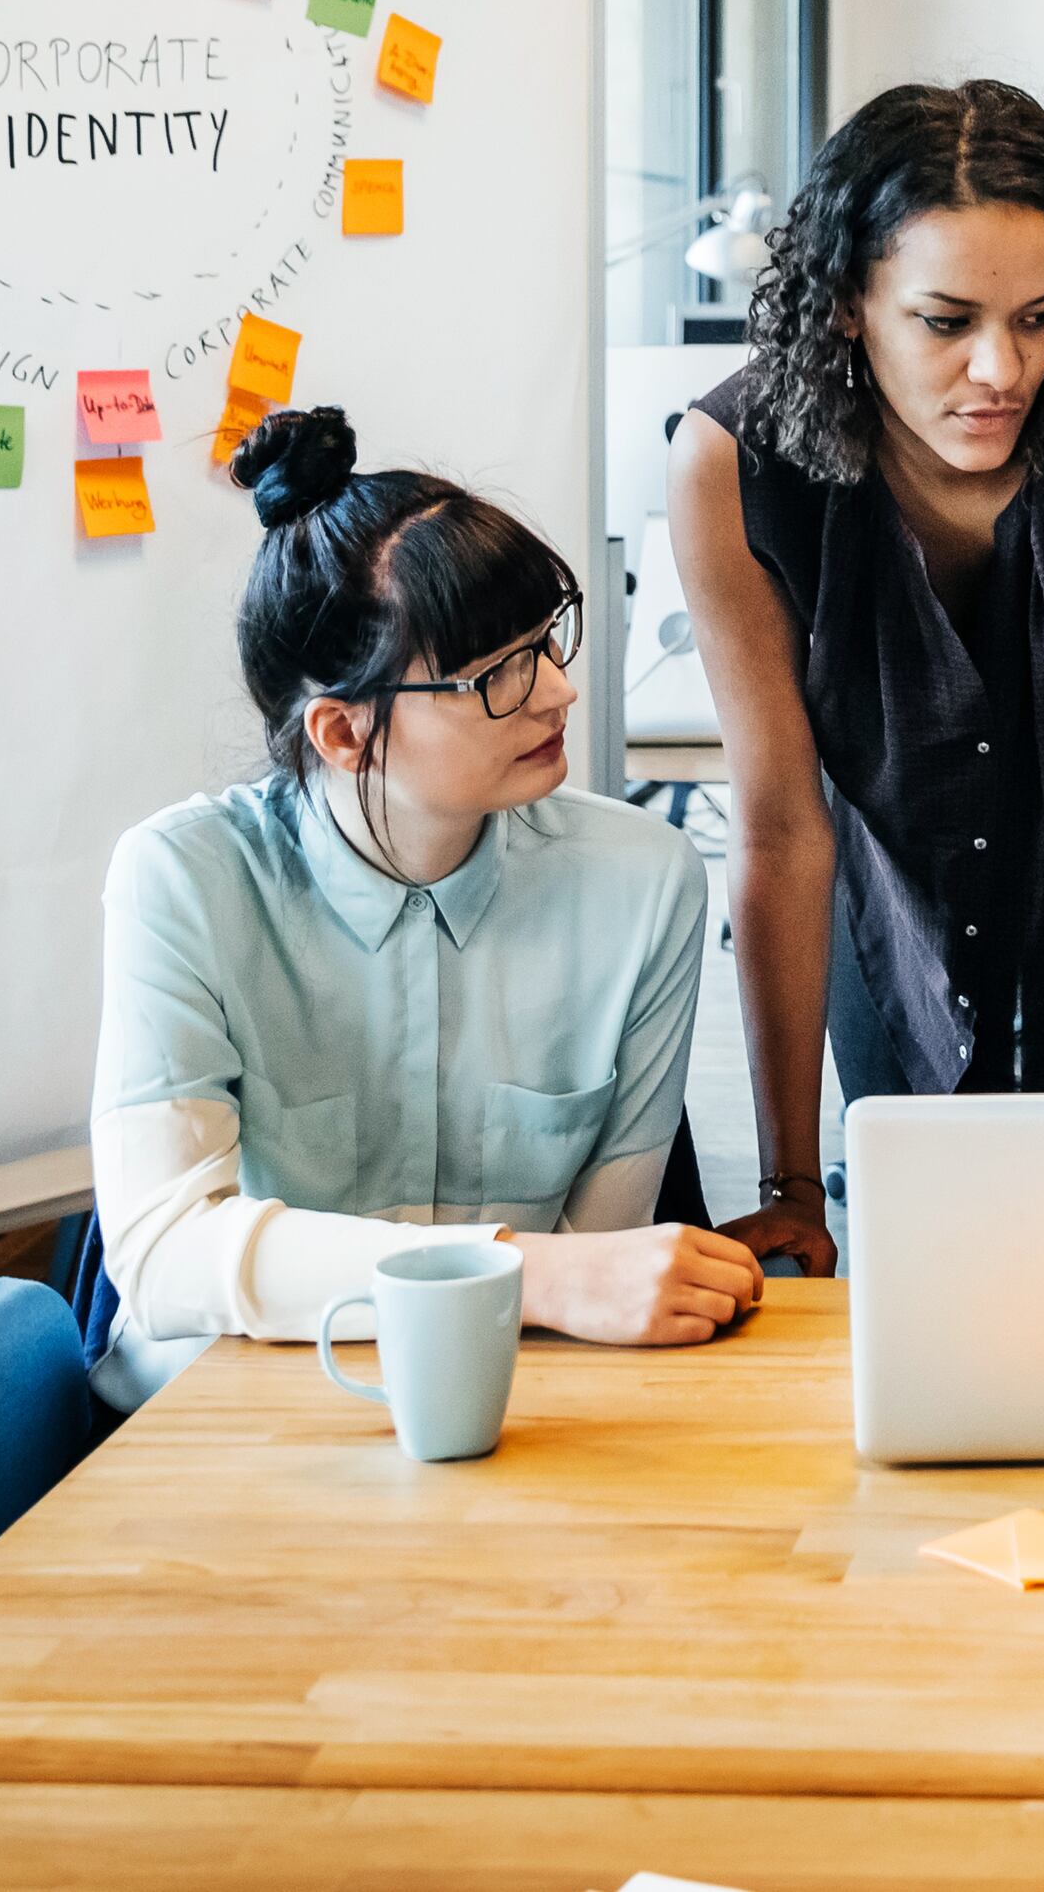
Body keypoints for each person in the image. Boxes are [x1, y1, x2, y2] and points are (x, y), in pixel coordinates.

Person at [670, 80, 1044, 1274]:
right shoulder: (730, 464)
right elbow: (781, 828)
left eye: (1040, 317)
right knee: (921, 1214)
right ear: (848, 304)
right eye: (945, 322)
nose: (1001, 369)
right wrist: (790, 1190)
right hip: (887, 838)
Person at [86, 406, 766, 1405]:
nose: (558, 693)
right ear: (342, 732)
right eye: (497, 673)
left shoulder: (643, 883)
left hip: (514, 1404)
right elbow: (165, 1257)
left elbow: (608, 1269)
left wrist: (553, 1282)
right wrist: (524, 1270)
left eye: (547, 638)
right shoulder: (181, 879)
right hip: (227, 1413)